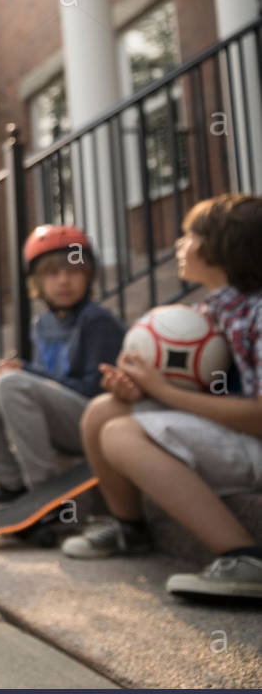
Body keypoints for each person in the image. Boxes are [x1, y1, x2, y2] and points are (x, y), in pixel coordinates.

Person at [62, 194, 262, 600]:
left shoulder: (257, 312)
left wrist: (164, 392)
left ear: (221, 248)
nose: (179, 243)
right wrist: (139, 390)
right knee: (104, 411)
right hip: (239, 437)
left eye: (190, 235)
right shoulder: (217, 310)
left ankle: (245, 557)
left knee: (120, 434)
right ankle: (129, 529)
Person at [0, 224, 125, 526]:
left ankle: (47, 494)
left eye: (73, 272)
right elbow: (43, 386)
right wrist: (14, 376)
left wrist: (24, 374)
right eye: (52, 273)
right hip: (58, 418)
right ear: (36, 281)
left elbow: (93, 391)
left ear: (88, 276)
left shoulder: (98, 321)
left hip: (92, 423)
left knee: (13, 382)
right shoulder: (42, 324)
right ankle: (12, 486)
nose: (64, 281)